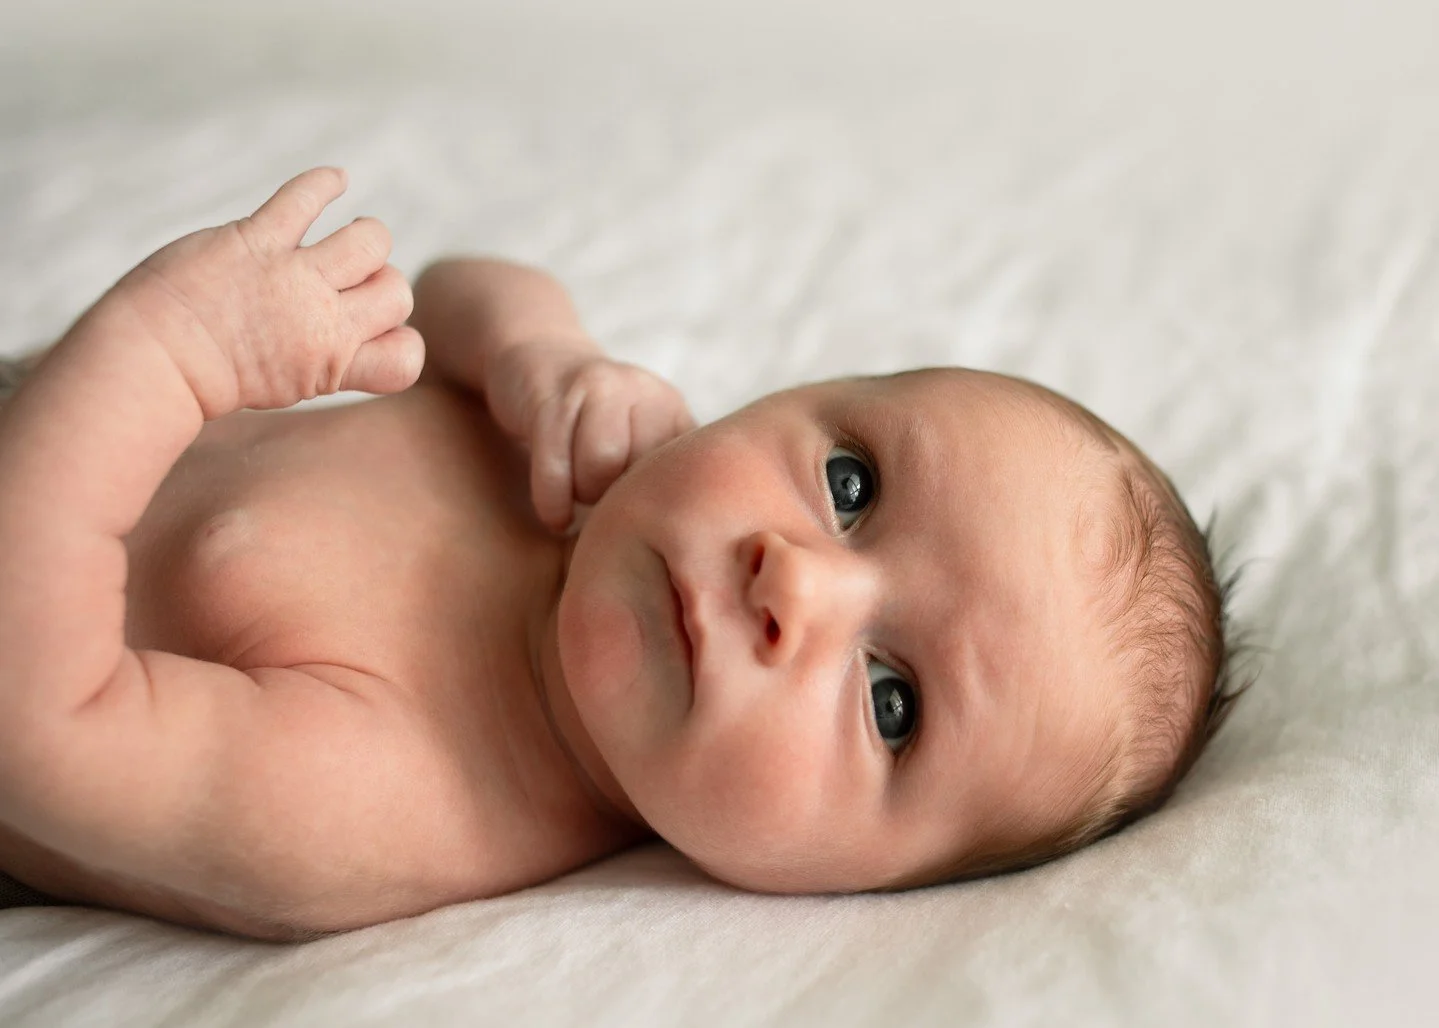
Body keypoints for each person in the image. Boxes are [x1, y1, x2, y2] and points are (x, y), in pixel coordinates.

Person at [0, 168, 1242, 941]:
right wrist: (546, 350)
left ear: (847, 887)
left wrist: (159, 355)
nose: (795, 580)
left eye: (891, 701)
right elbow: (446, 292)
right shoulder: (579, 465)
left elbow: (35, 724)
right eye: (849, 483)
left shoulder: (404, 787)